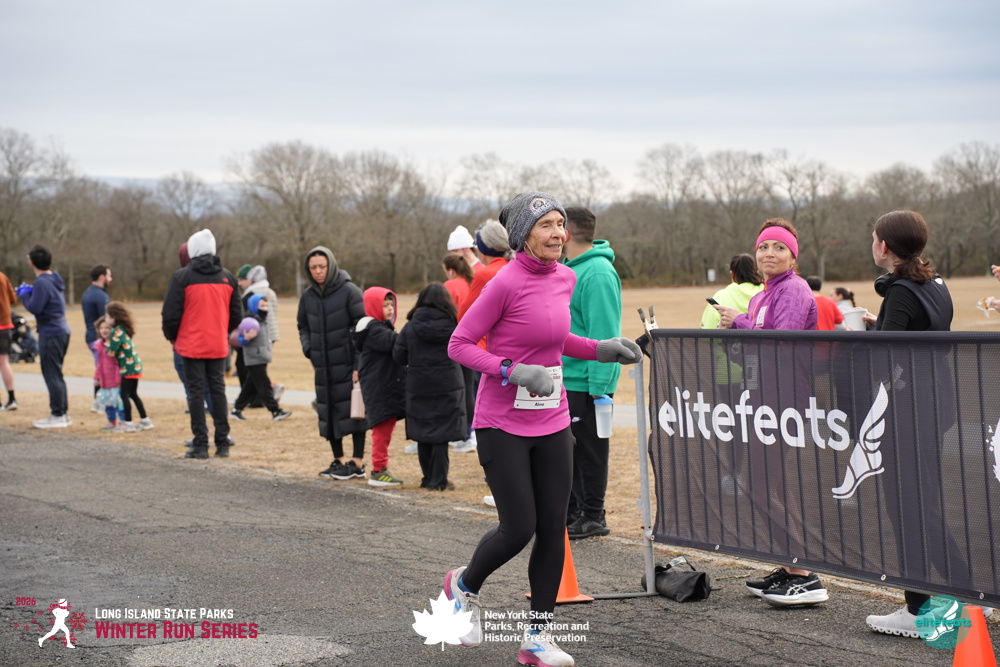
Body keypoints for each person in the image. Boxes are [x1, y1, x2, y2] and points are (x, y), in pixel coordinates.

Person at [443, 192, 640, 666]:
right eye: (546, 225)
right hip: (502, 422)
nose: (558, 233)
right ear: (522, 236)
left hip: (552, 419)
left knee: (554, 528)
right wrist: (511, 370)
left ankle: (538, 639)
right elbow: (459, 344)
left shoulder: (566, 277)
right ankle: (462, 588)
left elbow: (555, 338)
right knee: (519, 528)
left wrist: (600, 348)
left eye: (559, 224)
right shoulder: (504, 283)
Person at [860, 211, 974, 638]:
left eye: (874, 238)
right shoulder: (934, 282)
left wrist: (861, 336)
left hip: (908, 412)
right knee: (922, 504)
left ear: (884, 246)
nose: (872, 244)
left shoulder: (902, 290)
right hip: (933, 404)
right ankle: (968, 593)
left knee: (907, 507)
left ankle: (919, 608)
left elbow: (887, 355)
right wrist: (880, 325)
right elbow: (911, 333)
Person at [714, 218, 827, 607]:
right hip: (762, 398)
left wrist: (739, 321)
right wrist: (733, 331)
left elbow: (781, 341)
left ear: (793, 257)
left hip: (785, 400)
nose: (769, 253)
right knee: (769, 485)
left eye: (779, 247)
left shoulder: (793, 289)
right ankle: (792, 564)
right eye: (763, 247)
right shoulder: (761, 295)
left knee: (761, 484)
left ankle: (804, 575)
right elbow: (753, 351)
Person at [561, 206, 623, 540]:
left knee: (590, 451)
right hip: (567, 378)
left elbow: (604, 333)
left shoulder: (597, 272)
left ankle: (593, 515)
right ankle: (573, 511)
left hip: (588, 383)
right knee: (569, 451)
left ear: (567, 233)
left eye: (557, 226)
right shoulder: (570, 268)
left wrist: (599, 386)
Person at [162, 229, 242, 459]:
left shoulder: (182, 277)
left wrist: (174, 336)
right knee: (218, 392)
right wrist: (221, 330)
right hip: (217, 344)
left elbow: (170, 314)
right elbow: (237, 314)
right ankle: (222, 443)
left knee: (196, 394)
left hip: (191, 345)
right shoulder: (228, 277)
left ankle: (200, 444)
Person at [297, 246, 368, 480]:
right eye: (313, 267)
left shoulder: (350, 292)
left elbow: (363, 328)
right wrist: (309, 349)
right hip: (323, 366)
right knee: (328, 411)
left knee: (355, 412)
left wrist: (358, 364)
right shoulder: (307, 297)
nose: (318, 271)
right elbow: (303, 326)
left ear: (331, 265)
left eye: (322, 266)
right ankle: (339, 460)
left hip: (348, 365)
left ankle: (357, 462)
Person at [394, 283, 465, 490]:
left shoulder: (411, 326)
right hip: (448, 383)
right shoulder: (455, 325)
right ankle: (439, 480)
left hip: (419, 384)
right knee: (442, 432)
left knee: (422, 430)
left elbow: (398, 355)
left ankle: (427, 478)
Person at [354, 287, 405, 487]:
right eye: (384, 305)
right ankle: (378, 470)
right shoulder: (375, 330)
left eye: (391, 304)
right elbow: (397, 343)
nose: (390, 309)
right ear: (373, 306)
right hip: (379, 389)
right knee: (381, 430)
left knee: (386, 428)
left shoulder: (380, 328)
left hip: (384, 387)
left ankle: (380, 468)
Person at [17, 245, 72, 428]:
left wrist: (25, 296)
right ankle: (62, 413)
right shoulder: (54, 277)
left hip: (51, 332)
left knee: (51, 374)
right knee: (56, 373)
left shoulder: (42, 282)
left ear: (31, 262)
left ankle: (58, 414)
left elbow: (35, 308)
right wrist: (32, 292)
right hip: (61, 329)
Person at [231, 295, 292, 423]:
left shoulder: (262, 320)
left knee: (249, 386)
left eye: (266, 306)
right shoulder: (249, 321)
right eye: (261, 306)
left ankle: (236, 410)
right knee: (264, 385)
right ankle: (275, 411)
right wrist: (246, 338)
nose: (265, 308)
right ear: (253, 306)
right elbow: (240, 340)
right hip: (254, 359)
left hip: (262, 357)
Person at [105, 301, 152, 432]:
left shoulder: (116, 331)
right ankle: (145, 420)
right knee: (133, 394)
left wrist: (106, 347)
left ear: (114, 317)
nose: (106, 319)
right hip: (135, 366)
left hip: (127, 368)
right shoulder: (123, 329)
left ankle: (128, 423)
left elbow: (111, 351)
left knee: (124, 394)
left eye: (107, 316)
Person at [699, 254, 764, 330]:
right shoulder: (768, 293)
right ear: (757, 272)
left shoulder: (720, 296)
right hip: (762, 337)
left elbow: (706, 331)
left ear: (731, 274)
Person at [81, 264, 112, 412]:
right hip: (98, 338)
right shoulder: (101, 296)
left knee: (100, 368)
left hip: (90, 336)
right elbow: (106, 320)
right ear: (101, 277)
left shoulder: (88, 293)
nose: (110, 279)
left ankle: (97, 401)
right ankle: (101, 402)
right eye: (109, 276)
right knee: (104, 370)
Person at [91, 315, 126, 430]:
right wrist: (97, 378)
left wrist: (118, 379)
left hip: (115, 381)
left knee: (118, 402)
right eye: (101, 328)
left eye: (107, 328)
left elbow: (118, 364)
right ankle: (111, 421)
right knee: (107, 402)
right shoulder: (99, 346)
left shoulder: (115, 346)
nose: (104, 330)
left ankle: (123, 421)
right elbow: (99, 364)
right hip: (104, 380)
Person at [0, 269, 17, 411]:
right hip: (5, 326)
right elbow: (13, 299)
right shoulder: (3, 277)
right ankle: (12, 399)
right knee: (4, 362)